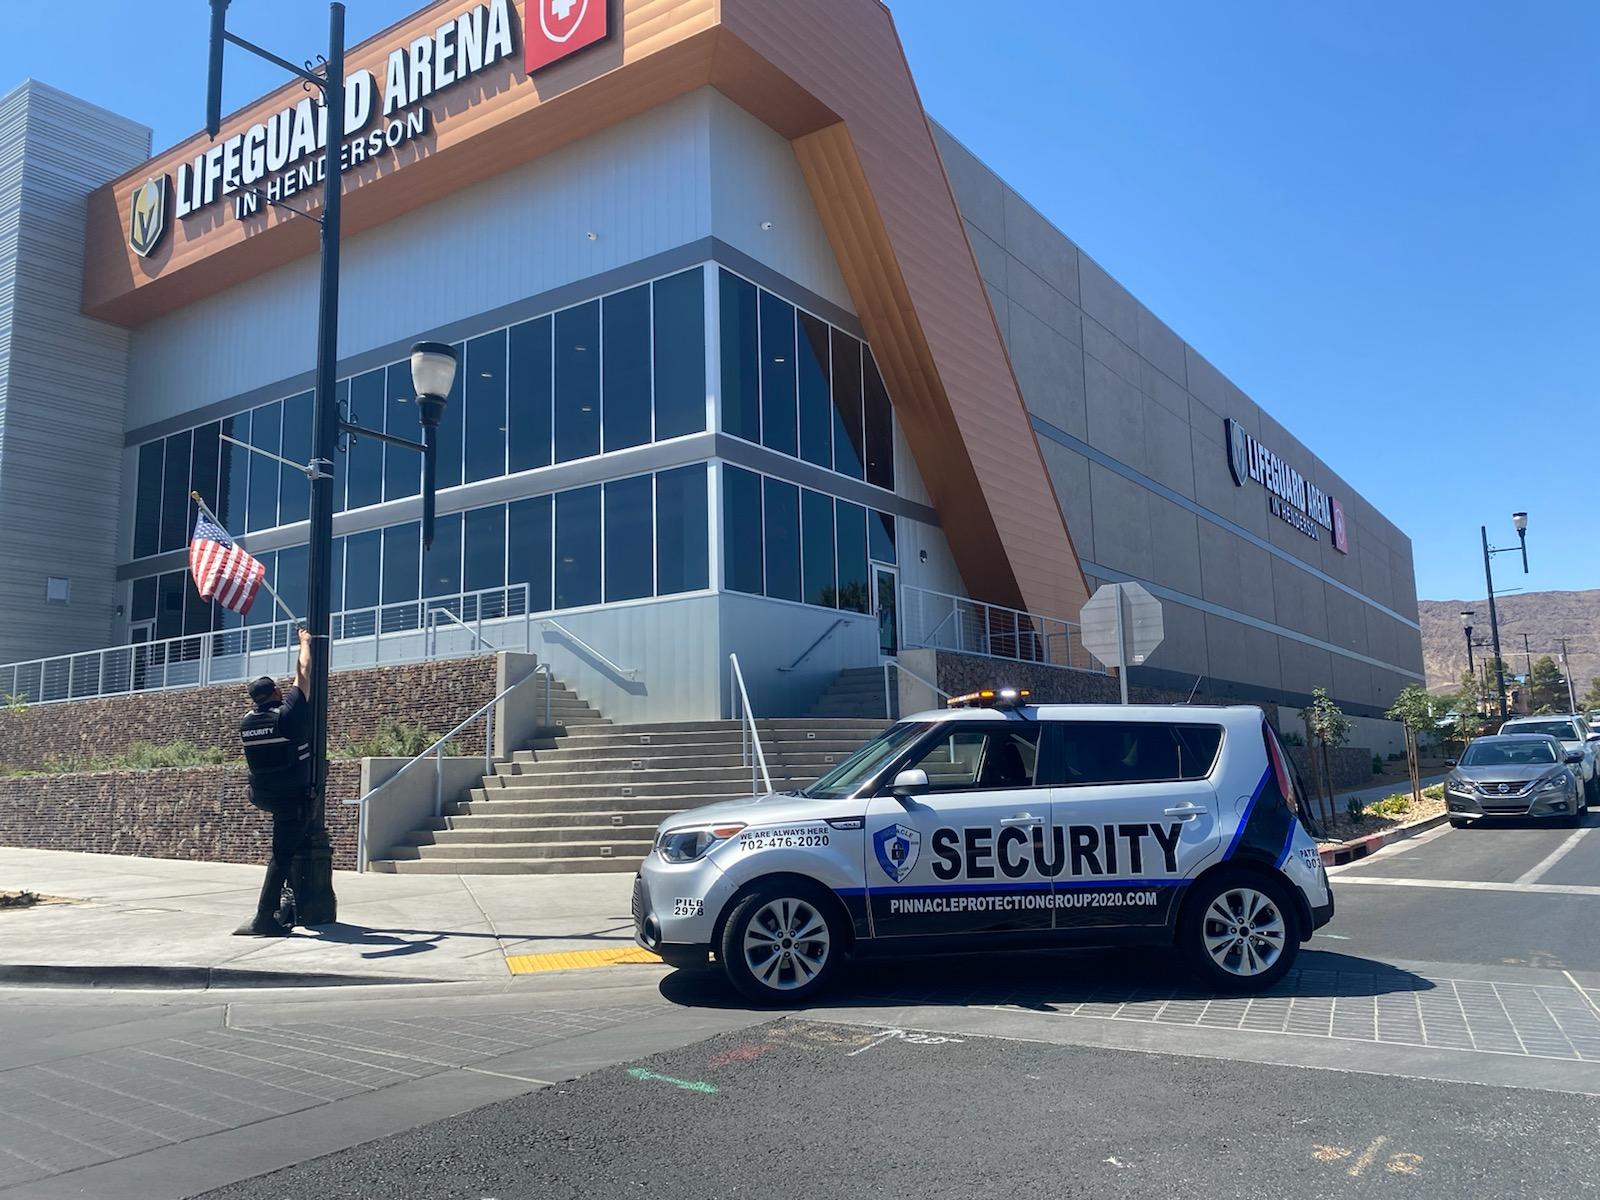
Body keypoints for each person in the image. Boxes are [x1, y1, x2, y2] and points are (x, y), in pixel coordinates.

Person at [235, 627, 315, 937]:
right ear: (277, 693)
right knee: (281, 855)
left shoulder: (247, 723)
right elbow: (304, 672)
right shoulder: (287, 714)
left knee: (288, 846)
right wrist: (305, 642)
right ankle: (263, 916)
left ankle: (287, 900)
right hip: (289, 796)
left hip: (262, 794)